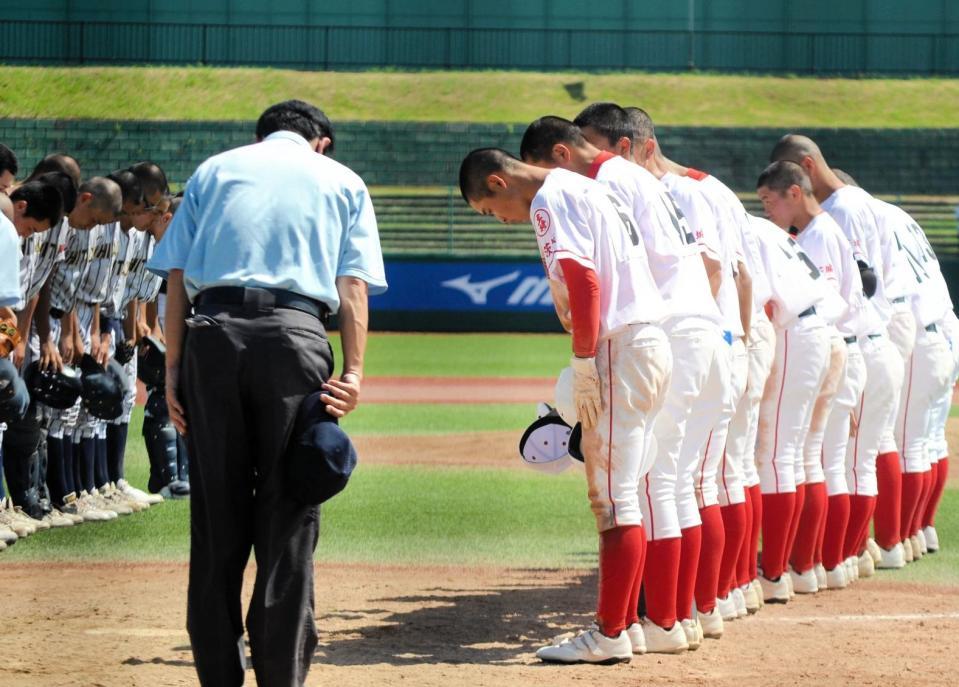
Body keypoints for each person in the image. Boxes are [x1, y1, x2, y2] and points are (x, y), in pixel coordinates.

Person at [147, 99, 386, 687]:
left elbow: (177, 276)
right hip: (295, 339)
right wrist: (353, 372)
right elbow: (351, 285)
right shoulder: (343, 180)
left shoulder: (215, 170)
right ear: (321, 141)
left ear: (260, 137)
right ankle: (281, 678)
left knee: (215, 522)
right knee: (288, 513)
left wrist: (173, 370)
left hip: (212, 334)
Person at [459, 146, 671, 664]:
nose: (500, 221)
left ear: (498, 182)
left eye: (490, 210)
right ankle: (626, 624)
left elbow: (584, 280)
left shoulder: (548, 199)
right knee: (630, 491)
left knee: (612, 498)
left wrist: (581, 363)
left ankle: (610, 633)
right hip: (646, 341)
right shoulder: (587, 187)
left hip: (619, 346)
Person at [519, 112, 722, 652]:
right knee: (671, 483)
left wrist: (584, 356)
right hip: (692, 322)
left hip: (658, 326)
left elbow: (600, 271)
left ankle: (643, 625)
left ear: (560, 156)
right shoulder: (634, 176)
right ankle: (673, 619)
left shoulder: (593, 184)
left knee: (643, 485)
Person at [756, 160, 873, 589]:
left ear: (794, 192)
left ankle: (783, 569)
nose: (766, 209)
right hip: (837, 342)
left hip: (816, 336)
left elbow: (815, 301)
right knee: (814, 459)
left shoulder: (818, 234)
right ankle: (812, 564)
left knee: (782, 457)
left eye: (769, 199)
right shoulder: (818, 232)